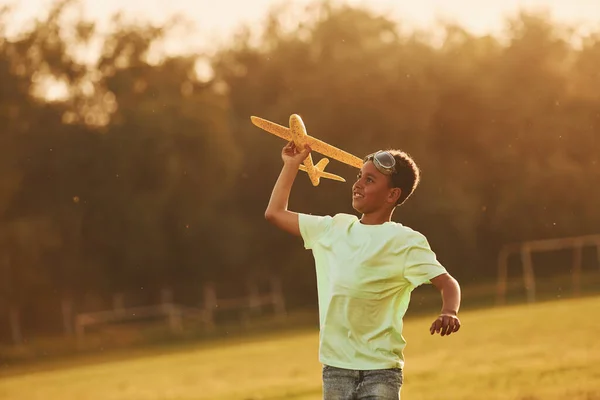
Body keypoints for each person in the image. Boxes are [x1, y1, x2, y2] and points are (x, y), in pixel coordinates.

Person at [264, 141, 462, 399]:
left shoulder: (405, 241)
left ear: (392, 195)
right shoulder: (332, 229)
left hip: (381, 371)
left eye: (369, 180)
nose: (357, 184)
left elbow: (447, 283)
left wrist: (449, 311)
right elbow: (275, 213)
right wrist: (291, 165)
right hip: (336, 370)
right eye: (359, 177)